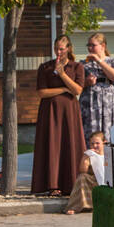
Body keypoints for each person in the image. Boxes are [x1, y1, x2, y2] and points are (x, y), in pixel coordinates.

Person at [31, 36, 85, 198]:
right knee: (52, 145)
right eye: (56, 48)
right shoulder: (45, 67)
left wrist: (62, 74)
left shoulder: (77, 67)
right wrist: (63, 89)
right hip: (50, 111)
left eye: (61, 48)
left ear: (68, 48)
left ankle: (71, 184)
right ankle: (52, 184)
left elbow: (77, 90)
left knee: (70, 144)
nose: (58, 52)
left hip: (69, 112)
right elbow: (42, 92)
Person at [80, 33, 114, 140]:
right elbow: (77, 84)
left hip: (107, 100)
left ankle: (107, 154)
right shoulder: (83, 63)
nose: (90, 48)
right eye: (88, 45)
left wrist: (99, 61)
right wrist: (86, 82)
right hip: (89, 100)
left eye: (93, 45)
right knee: (90, 132)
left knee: (108, 131)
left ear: (102, 46)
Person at [64, 132, 107, 215]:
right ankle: (75, 206)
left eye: (97, 143)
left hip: (108, 181)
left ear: (104, 142)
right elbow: (83, 170)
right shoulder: (90, 154)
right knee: (82, 177)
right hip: (95, 181)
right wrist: (85, 157)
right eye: (92, 144)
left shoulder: (109, 154)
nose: (94, 146)